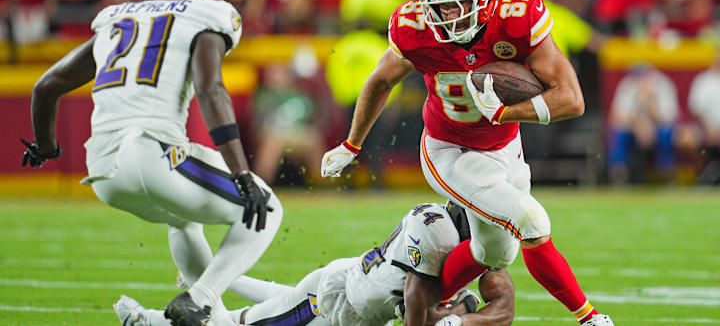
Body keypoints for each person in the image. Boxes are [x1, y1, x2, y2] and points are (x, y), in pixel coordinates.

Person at [321, 0, 613, 326]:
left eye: (460, 5)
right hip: (450, 151)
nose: (450, 17)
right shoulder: (414, 28)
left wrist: (507, 113)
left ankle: (422, 303)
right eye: (442, 7)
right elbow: (380, 81)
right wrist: (351, 144)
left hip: (506, 145)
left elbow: (572, 100)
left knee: (493, 253)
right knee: (531, 220)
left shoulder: (517, 18)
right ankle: (589, 318)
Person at [20, 0, 281, 326]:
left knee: (184, 220)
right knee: (267, 208)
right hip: (153, 153)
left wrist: (47, 147)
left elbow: (46, 87)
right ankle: (202, 298)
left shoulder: (116, 18)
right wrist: (242, 172)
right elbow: (211, 92)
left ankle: (213, 319)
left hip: (104, 171)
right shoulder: (206, 13)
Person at [114, 201, 515, 326]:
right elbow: (419, 311)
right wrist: (457, 313)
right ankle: (146, 319)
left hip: (350, 286)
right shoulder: (437, 232)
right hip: (336, 303)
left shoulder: (480, 249)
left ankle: (204, 279)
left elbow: (505, 309)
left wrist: (461, 318)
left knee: (275, 297)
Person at [607, 64, 679, 184]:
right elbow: (617, 116)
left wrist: (650, 102)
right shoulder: (628, 84)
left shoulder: (664, 85)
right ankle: (619, 175)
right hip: (633, 129)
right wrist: (638, 124)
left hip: (658, 128)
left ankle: (666, 175)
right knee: (619, 134)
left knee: (666, 134)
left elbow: (668, 118)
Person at [687, 54, 720, 184]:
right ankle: (707, 173)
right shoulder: (703, 81)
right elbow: (696, 109)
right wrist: (708, 128)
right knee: (687, 137)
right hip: (706, 127)